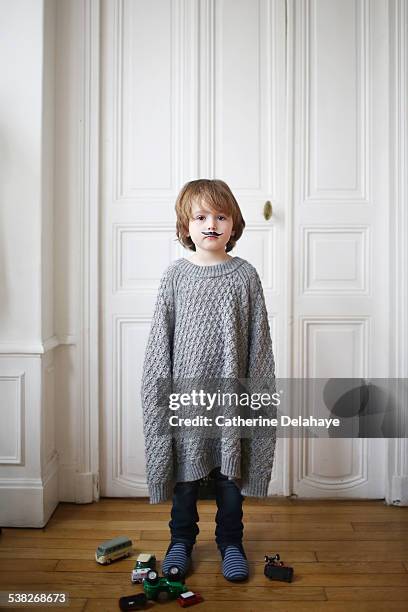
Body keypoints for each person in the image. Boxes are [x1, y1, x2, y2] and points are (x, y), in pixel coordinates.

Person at [141, 179, 277, 582]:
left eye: (220, 216)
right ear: (186, 227)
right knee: (185, 480)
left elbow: (259, 344)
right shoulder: (175, 277)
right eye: (200, 217)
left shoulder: (245, 276)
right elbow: (159, 343)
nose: (211, 224)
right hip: (187, 401)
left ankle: (231, 543)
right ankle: (180, 541)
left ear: (234, 225)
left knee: (229, 479)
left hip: (232, 401)